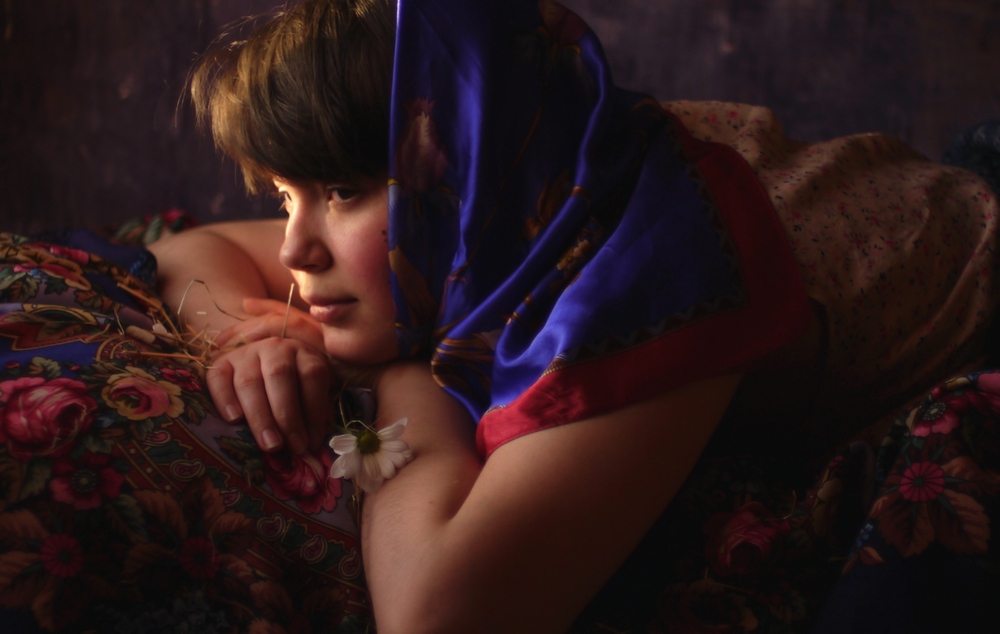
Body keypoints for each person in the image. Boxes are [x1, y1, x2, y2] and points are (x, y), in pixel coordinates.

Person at [148, 0, 1000, 631]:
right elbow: (193, 249)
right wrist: (239, 336)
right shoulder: (494, 212)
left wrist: (404, 376)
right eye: (286, 196)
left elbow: (440, 615)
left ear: (464, 167)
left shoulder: (655, 270)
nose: (294, 251)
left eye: (339, 190)